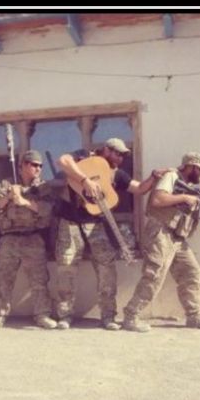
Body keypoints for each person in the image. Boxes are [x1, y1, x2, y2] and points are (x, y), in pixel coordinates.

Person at [55, 138, 165, 330]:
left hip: (98, 224)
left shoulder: (117, 173)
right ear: (106, 149)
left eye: (123, 155)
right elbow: (63, 160)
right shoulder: (82, 156)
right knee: (66, 267)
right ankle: (65, 315)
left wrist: (153, 177)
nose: (120, 158)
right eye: (117, 153)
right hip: (70, 222)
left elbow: (139, 188)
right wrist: (85, 180)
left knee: (107, 269)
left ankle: (108, 316)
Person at [122, 152, 200, 332]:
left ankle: (194, 316)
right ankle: (131, 316)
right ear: (190, 166)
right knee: (154, 275)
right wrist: (185, 198)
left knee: (191, 272)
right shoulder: (171, 176)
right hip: (160, 232)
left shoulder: (190, 186)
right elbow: (158, 199)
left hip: (177, 237)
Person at [0, 150, 58, 331]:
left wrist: (24, 202)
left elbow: (48, 209)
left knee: (39, 280)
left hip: (33, 237)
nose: (38, 169)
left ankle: (42, 315)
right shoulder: (7, 184)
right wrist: (9, 196)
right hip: (10, 238)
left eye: (40, 166)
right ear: (23, 165)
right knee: (4, 279)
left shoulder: (43, 187)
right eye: (34, 165)